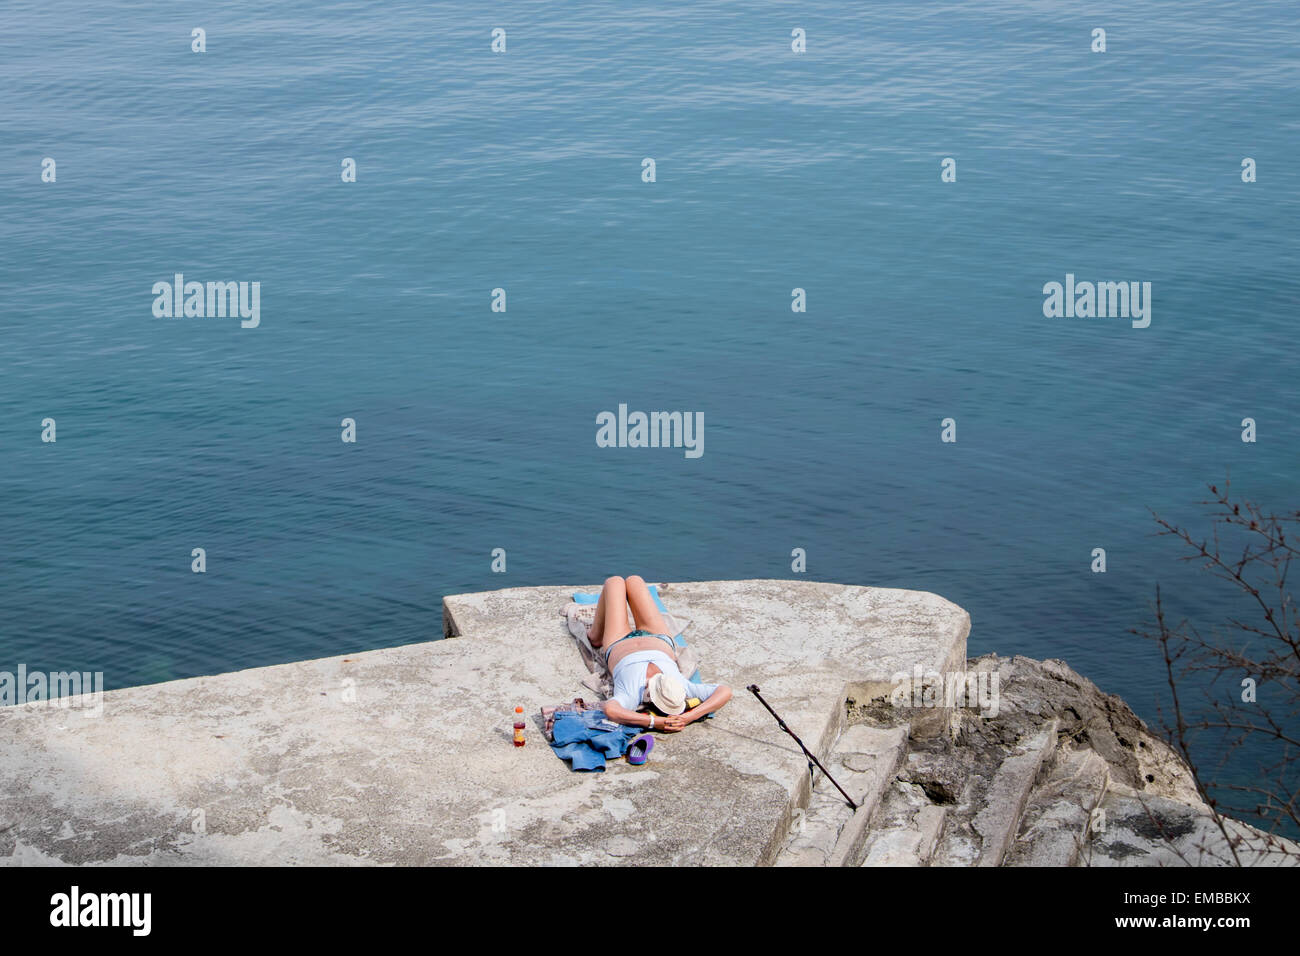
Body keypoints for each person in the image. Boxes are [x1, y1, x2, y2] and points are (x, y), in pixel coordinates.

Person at [587, 575, 732, 732]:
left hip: (618, 641)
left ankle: (595, 635)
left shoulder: (632, 694)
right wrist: (689, 716)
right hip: (658, 638)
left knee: (614, 582)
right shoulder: (682, 687)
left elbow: (611, 710)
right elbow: (724, 691)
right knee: (634, 580)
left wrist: (652, 722)